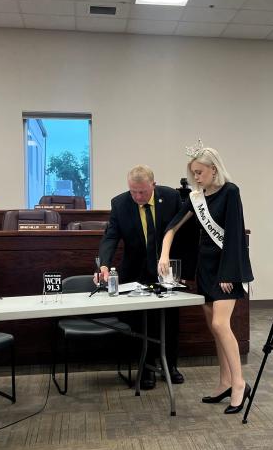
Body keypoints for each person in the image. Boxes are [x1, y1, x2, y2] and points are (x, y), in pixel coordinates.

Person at [159, 142, 253, 414]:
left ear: (213, 169)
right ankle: (224, 382)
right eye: (193, 174)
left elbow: (235, 235)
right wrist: (164, 254)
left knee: (221, 325)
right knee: (215, 330)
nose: (196, 178)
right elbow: (172, 227)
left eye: (199, 173)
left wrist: (228, 273)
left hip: (227, 270)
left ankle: (239, 384)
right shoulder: (196, 197)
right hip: (205, 270)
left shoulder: (231, 192)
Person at [97, 165, 183, 389]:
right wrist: (104, 264)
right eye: (133, 191)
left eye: (142, 192)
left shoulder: (172, 197)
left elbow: (182, 231)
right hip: (135, 270)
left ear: (153, 185)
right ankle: (145, 368)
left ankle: (170, 365)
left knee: (170, 318)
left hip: (166, 269)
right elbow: (111, 236)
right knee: (140, 322)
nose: (137, 196)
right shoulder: (120, 203)